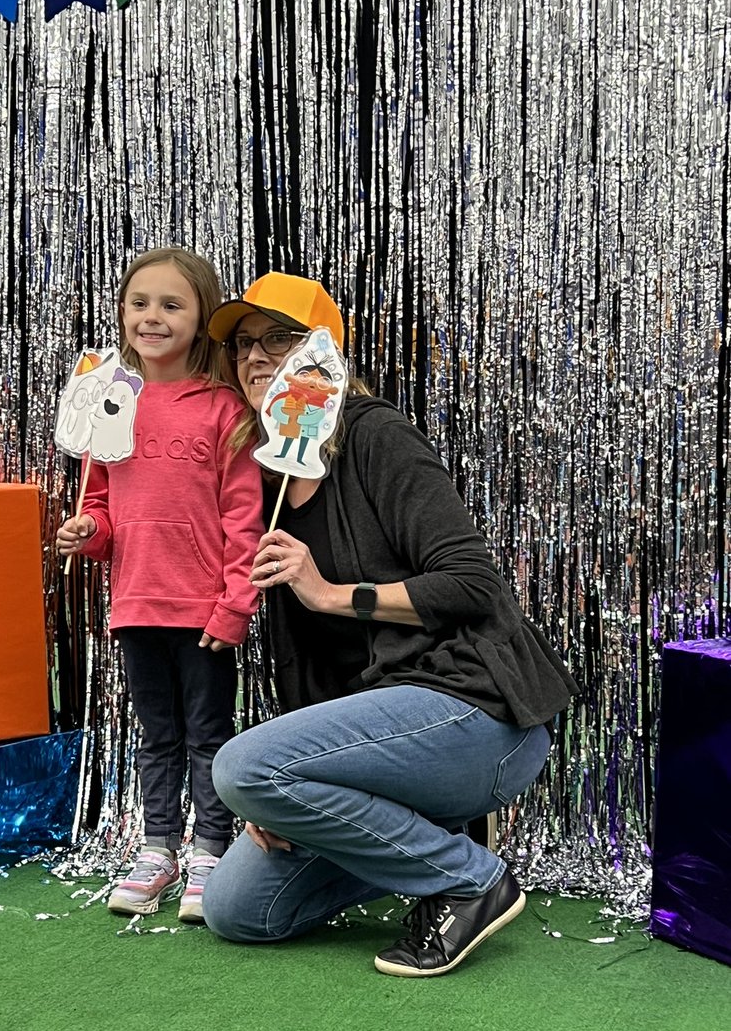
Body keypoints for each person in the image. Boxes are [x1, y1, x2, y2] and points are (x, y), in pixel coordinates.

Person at [201, 272, 579, 976]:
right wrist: (284, 790)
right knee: (239, 909)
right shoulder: (266, 480)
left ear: (326, 355)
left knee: (238, 764)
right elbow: (312, 670)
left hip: (480, 715)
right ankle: (431, 838)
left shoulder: (376, 436)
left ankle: (471, 880)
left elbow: (472, 584)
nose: (254, 356)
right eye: (243, 344)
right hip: (391, 746)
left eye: (278, 338)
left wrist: (335, 594)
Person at [56, 248, 264, 922]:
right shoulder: (108, 406)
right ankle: (158, 846)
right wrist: (89, 532)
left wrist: (235, 608)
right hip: (137, 604)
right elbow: (107, 514)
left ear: (202, 317)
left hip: (204, 611)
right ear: (121, 313)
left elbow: (244, 523)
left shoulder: (224, 410)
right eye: (139, 302)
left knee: (208, 734)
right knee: (157, 735)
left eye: (172, 304)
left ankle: (210, 848)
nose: (152, 316)